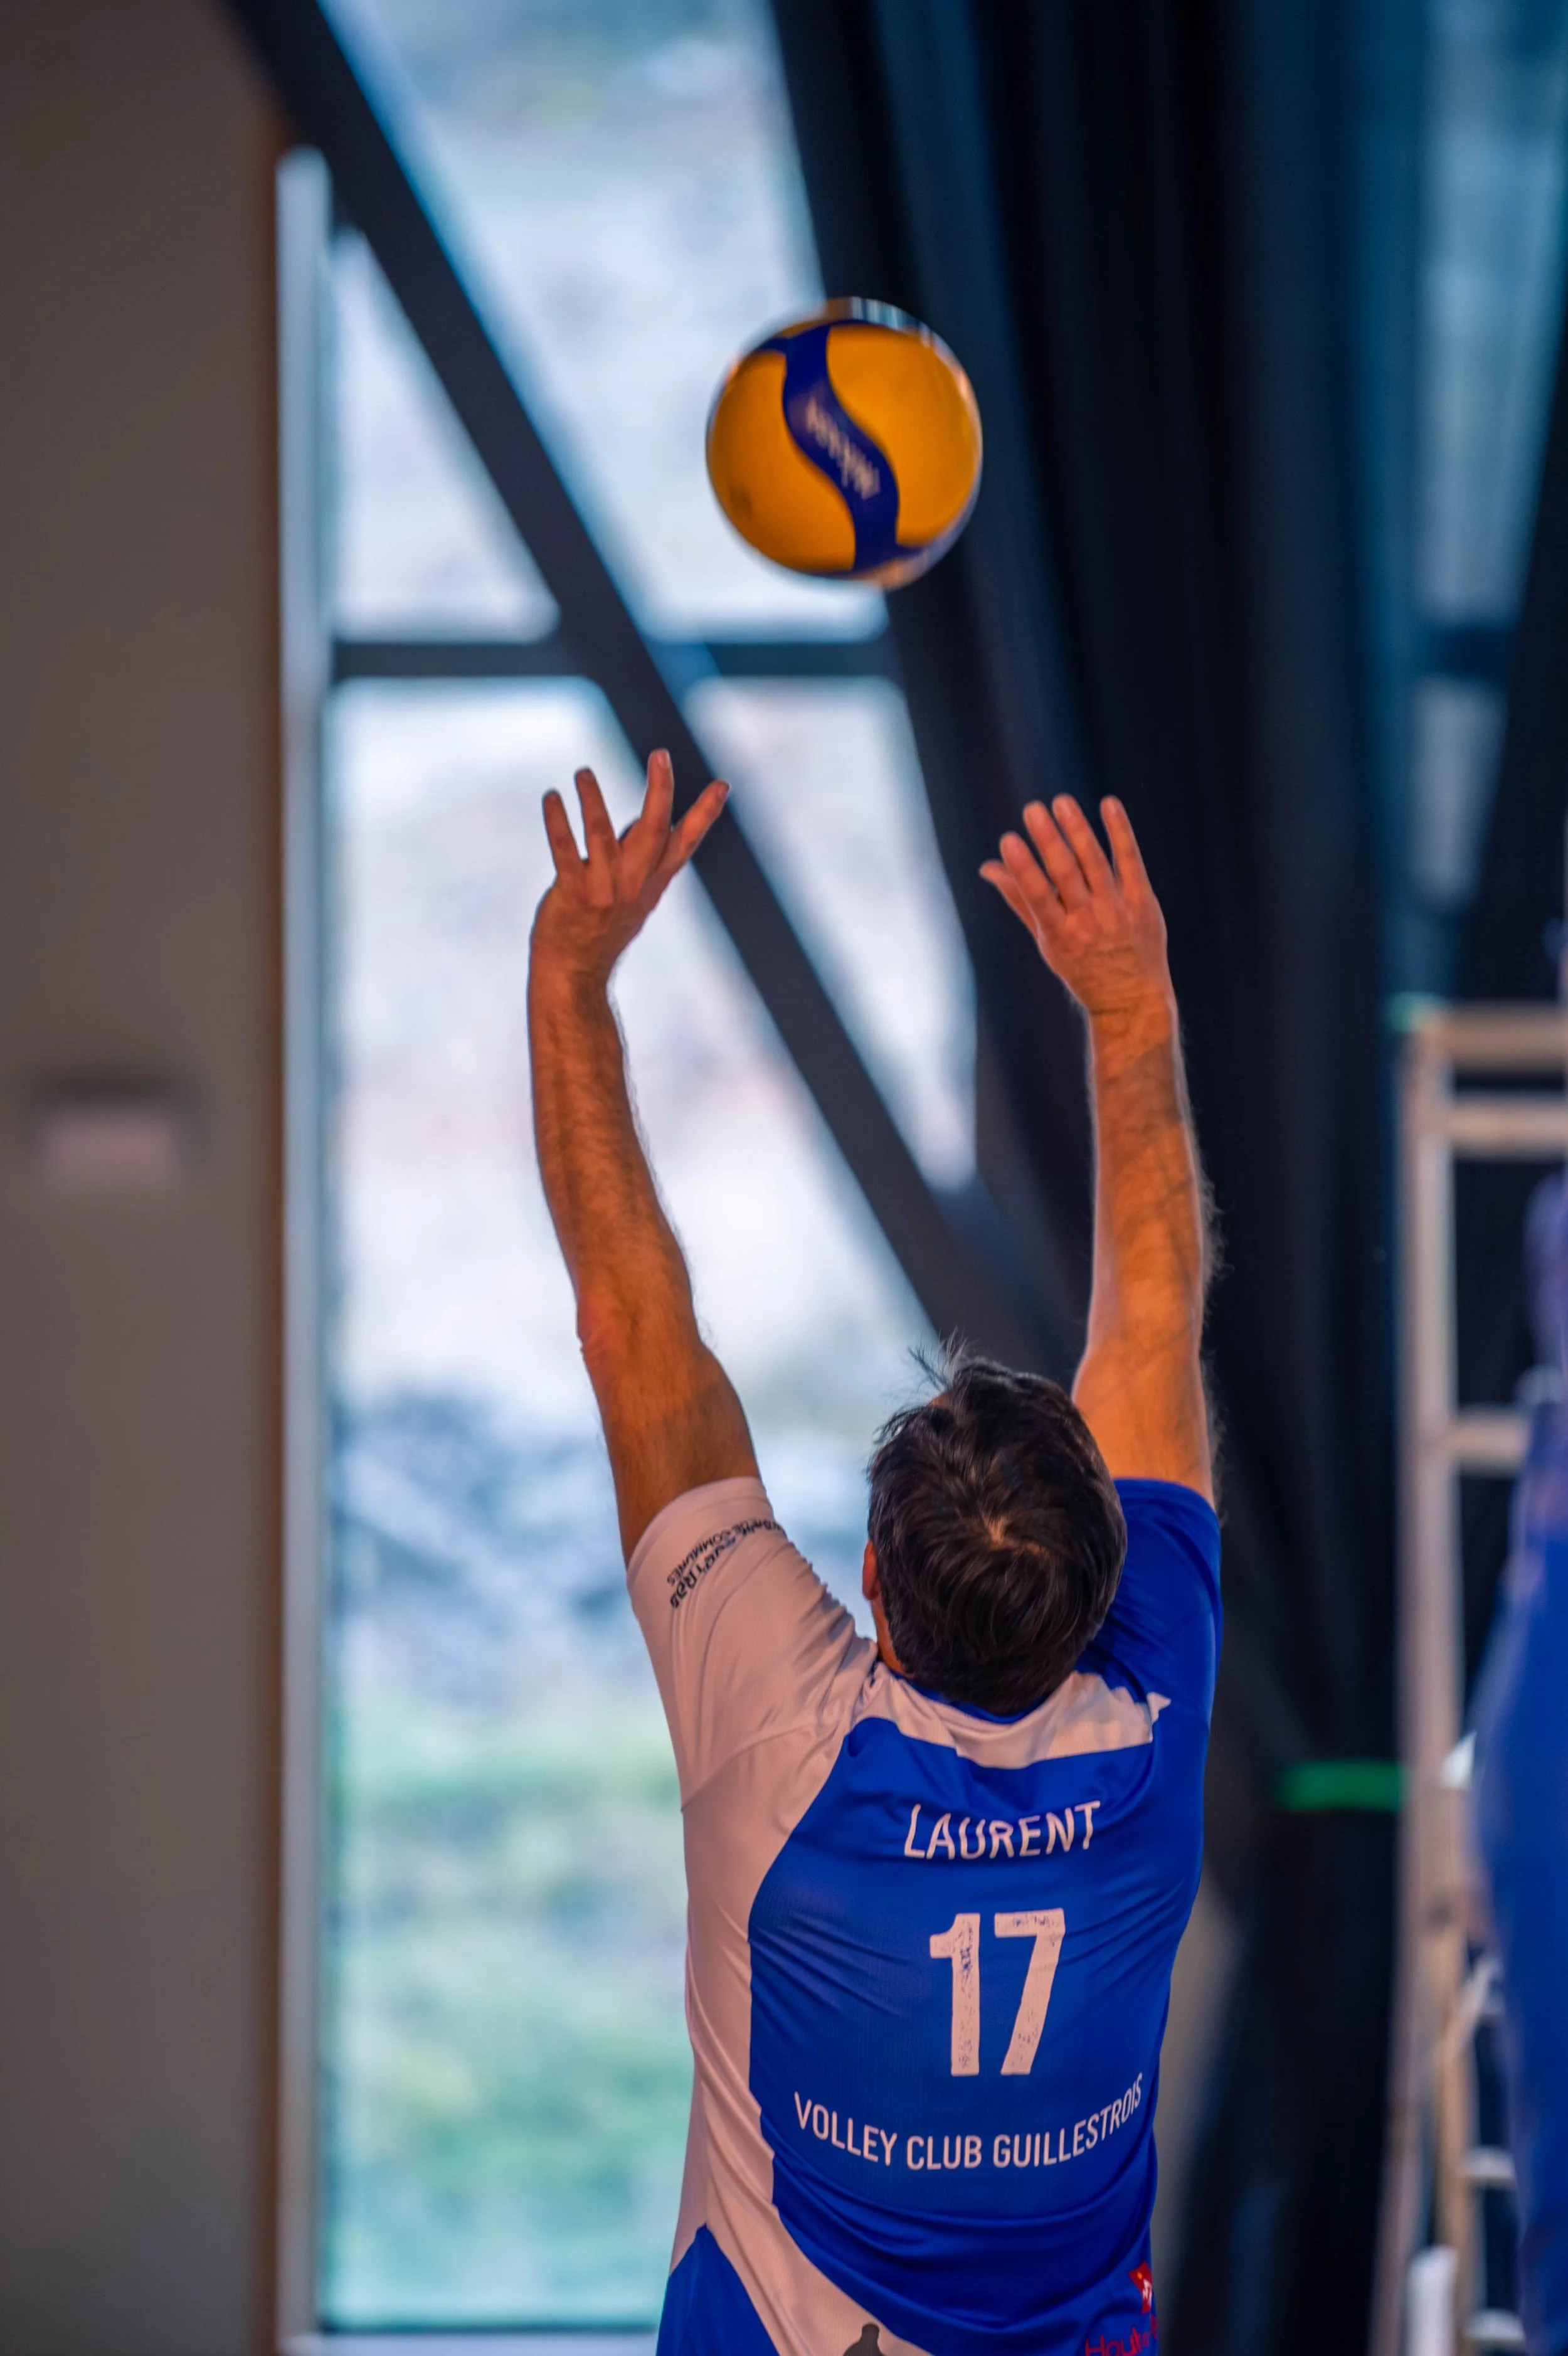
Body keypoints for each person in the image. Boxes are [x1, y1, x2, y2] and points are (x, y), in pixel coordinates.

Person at [529, 749, 1218, 2356]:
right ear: (1104, 1577)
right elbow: (1158, 1322)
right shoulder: (1152, 1715)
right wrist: (1129, 1014)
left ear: (867, 1593)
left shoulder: (781, 1729)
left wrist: (570, 983)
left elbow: (630, 1329)